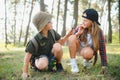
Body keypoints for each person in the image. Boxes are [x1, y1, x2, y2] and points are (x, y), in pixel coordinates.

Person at [22, 11, 73, 79]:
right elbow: (27, 57)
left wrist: (68, 35)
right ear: (43, 25)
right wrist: (25, 72)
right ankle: (40, 66)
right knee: (42, 64)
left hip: (51, 56)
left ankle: (58, 64)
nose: (51, 22)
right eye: (49, 21)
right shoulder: (35, 40)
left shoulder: (52, 32)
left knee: (57, 46)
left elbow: (61, 42)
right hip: (40, 58)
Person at [68, 8, 107, 74]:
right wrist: (78, 33)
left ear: (92, 22)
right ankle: (73, 64)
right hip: (77, 48)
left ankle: (86, 61)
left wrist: (104, 64)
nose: (83, 22)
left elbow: (102, 49)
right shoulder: (79, 27)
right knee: (72, 37)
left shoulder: (99, 32)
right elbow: (72, 40)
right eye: (83, 20)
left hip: (88, 51)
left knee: (88, 52)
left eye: (85, 21)